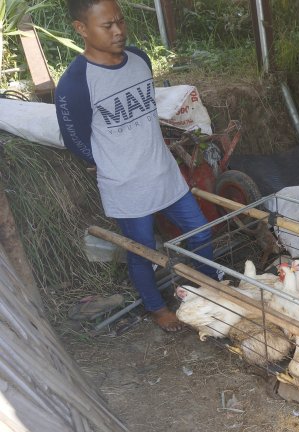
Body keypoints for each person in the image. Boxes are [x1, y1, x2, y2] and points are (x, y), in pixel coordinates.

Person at [56, 0, 219, 331]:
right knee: (142, 249)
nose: (118, 31)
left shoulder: (139, 59)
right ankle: (157, 308)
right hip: (126, 184)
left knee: (200, 232)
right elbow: (75, 138)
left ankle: (209, 292)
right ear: (81, 29)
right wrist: (105, 162)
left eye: (121, 21)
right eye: (107, 26)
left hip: (163, 172)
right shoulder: (75, 83)